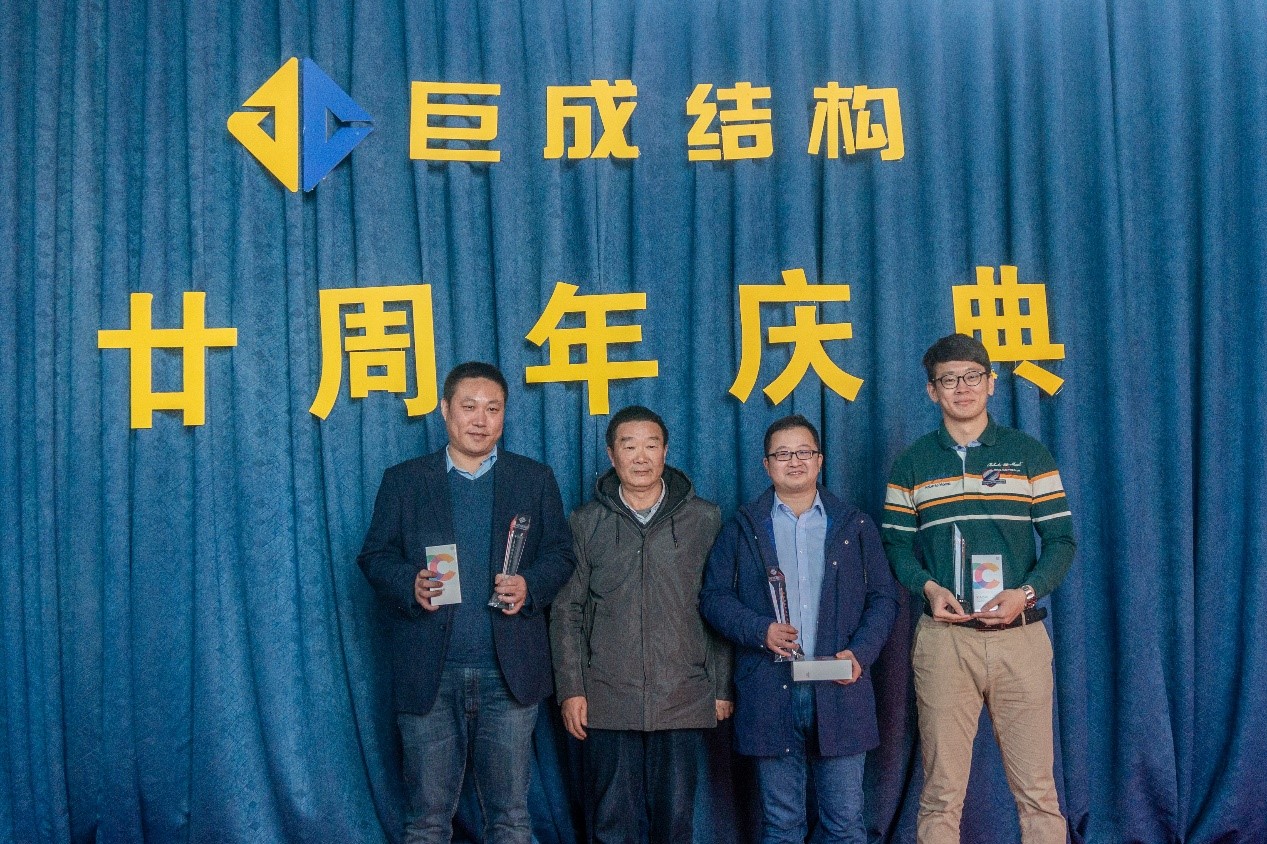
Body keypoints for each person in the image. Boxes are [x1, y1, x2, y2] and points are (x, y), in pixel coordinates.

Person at [357, 361, 575, 844]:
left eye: (493, 409)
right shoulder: (405, 480)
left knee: (511, 817)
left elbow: (561, 554)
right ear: (445, 410)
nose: (481, 419)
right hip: (430, 673)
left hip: (508, 673)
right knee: (427, 820)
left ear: (504, 415)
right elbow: (374, 556)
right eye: (469, 406)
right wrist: (409, 583)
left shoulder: (533, 479)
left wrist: (530, 586)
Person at [881, 333, 1076, 844]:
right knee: (941, 793)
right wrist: (927, 587)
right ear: (932, 391)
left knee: (1038, 792)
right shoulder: (912, 464)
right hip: (945, 641)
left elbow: (1061, 541)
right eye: (948, 379)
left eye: (972, 376)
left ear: (991, 383)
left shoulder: (1029, 454)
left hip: (1020, 637)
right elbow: (895, 546)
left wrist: (1026, 593)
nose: (962, 387)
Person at [700, 414, 898, 844]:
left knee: (845, 824)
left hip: (840, 687)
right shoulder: (743, 527)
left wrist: (860, 653)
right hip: (770, 690)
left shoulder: (854, 524)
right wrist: (760, 630)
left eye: (804, 452)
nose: (794, 461)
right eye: (783, 454)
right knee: (782, 825)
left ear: (820, 460)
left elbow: (884, 598)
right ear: (766, 464)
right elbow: (713, 598)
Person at [550, 405, 732, 844]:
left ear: (666, 451)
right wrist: (572, 689)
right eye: (629, 446)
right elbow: (567, 611)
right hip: (608, 695)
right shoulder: (585, 522)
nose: (641, 457)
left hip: (683, 694)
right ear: (611, 454)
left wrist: (722, 687)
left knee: (675, 822)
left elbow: (720, 606)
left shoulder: (704, 519)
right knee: (611, 823)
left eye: (651, 445)